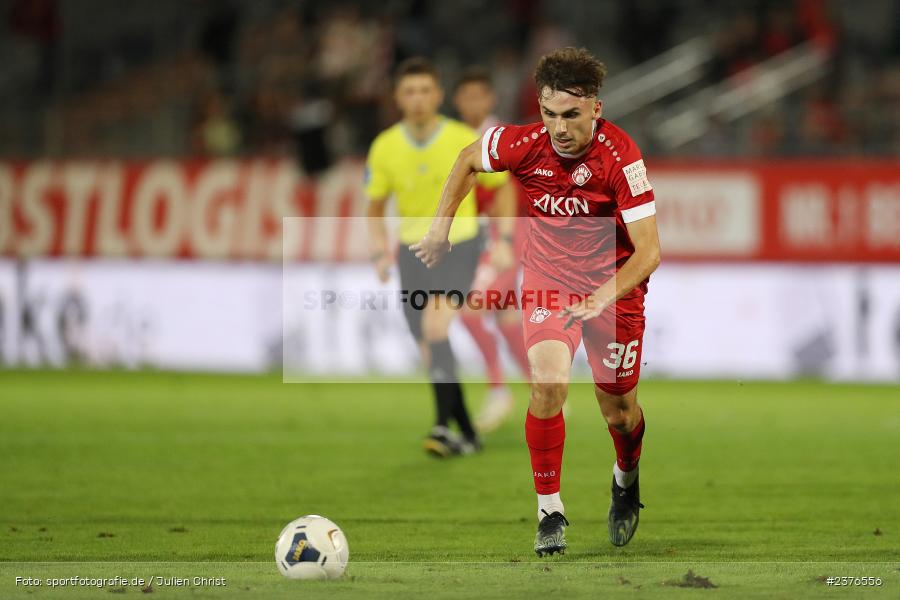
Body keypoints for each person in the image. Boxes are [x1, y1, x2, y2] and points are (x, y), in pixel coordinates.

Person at [411, 47, 661, 553]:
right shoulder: (524, 142)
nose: (558, 127)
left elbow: (650, 252)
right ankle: (549, 511)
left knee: (619, 412)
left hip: (614, 290)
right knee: (547, 384)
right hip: (549, 280)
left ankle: (626, 480)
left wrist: (600, 296)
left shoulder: (622, 158)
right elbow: (467, 159)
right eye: (549, 114)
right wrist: (441, 228)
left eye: (571, 115)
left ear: (596, 108)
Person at [365, 57, 514, 458]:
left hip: (459, 245)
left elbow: (502, 188)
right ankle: (465, 431)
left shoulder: (462, 139)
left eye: (425, 91)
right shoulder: (384, 147)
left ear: (438, 95)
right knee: (431, 348)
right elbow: (374, 208)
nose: (417, 99)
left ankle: (439, 425)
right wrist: (380, 252)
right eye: (409, 91)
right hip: (410, 253)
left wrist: (503, 238)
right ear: (398, 96)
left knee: (435, 327)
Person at [452, 67, 530, 433]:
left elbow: (506, 192)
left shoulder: (497, 138)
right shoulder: (457, 138)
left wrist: (504, 241)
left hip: (506, 236)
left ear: (489, 100)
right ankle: (547, 393)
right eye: (465, 97)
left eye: (477, 96)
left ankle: (499, 392)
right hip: (481, 239)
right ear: (457, 102)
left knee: (470, 312)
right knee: (507, 320)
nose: (472, 103)